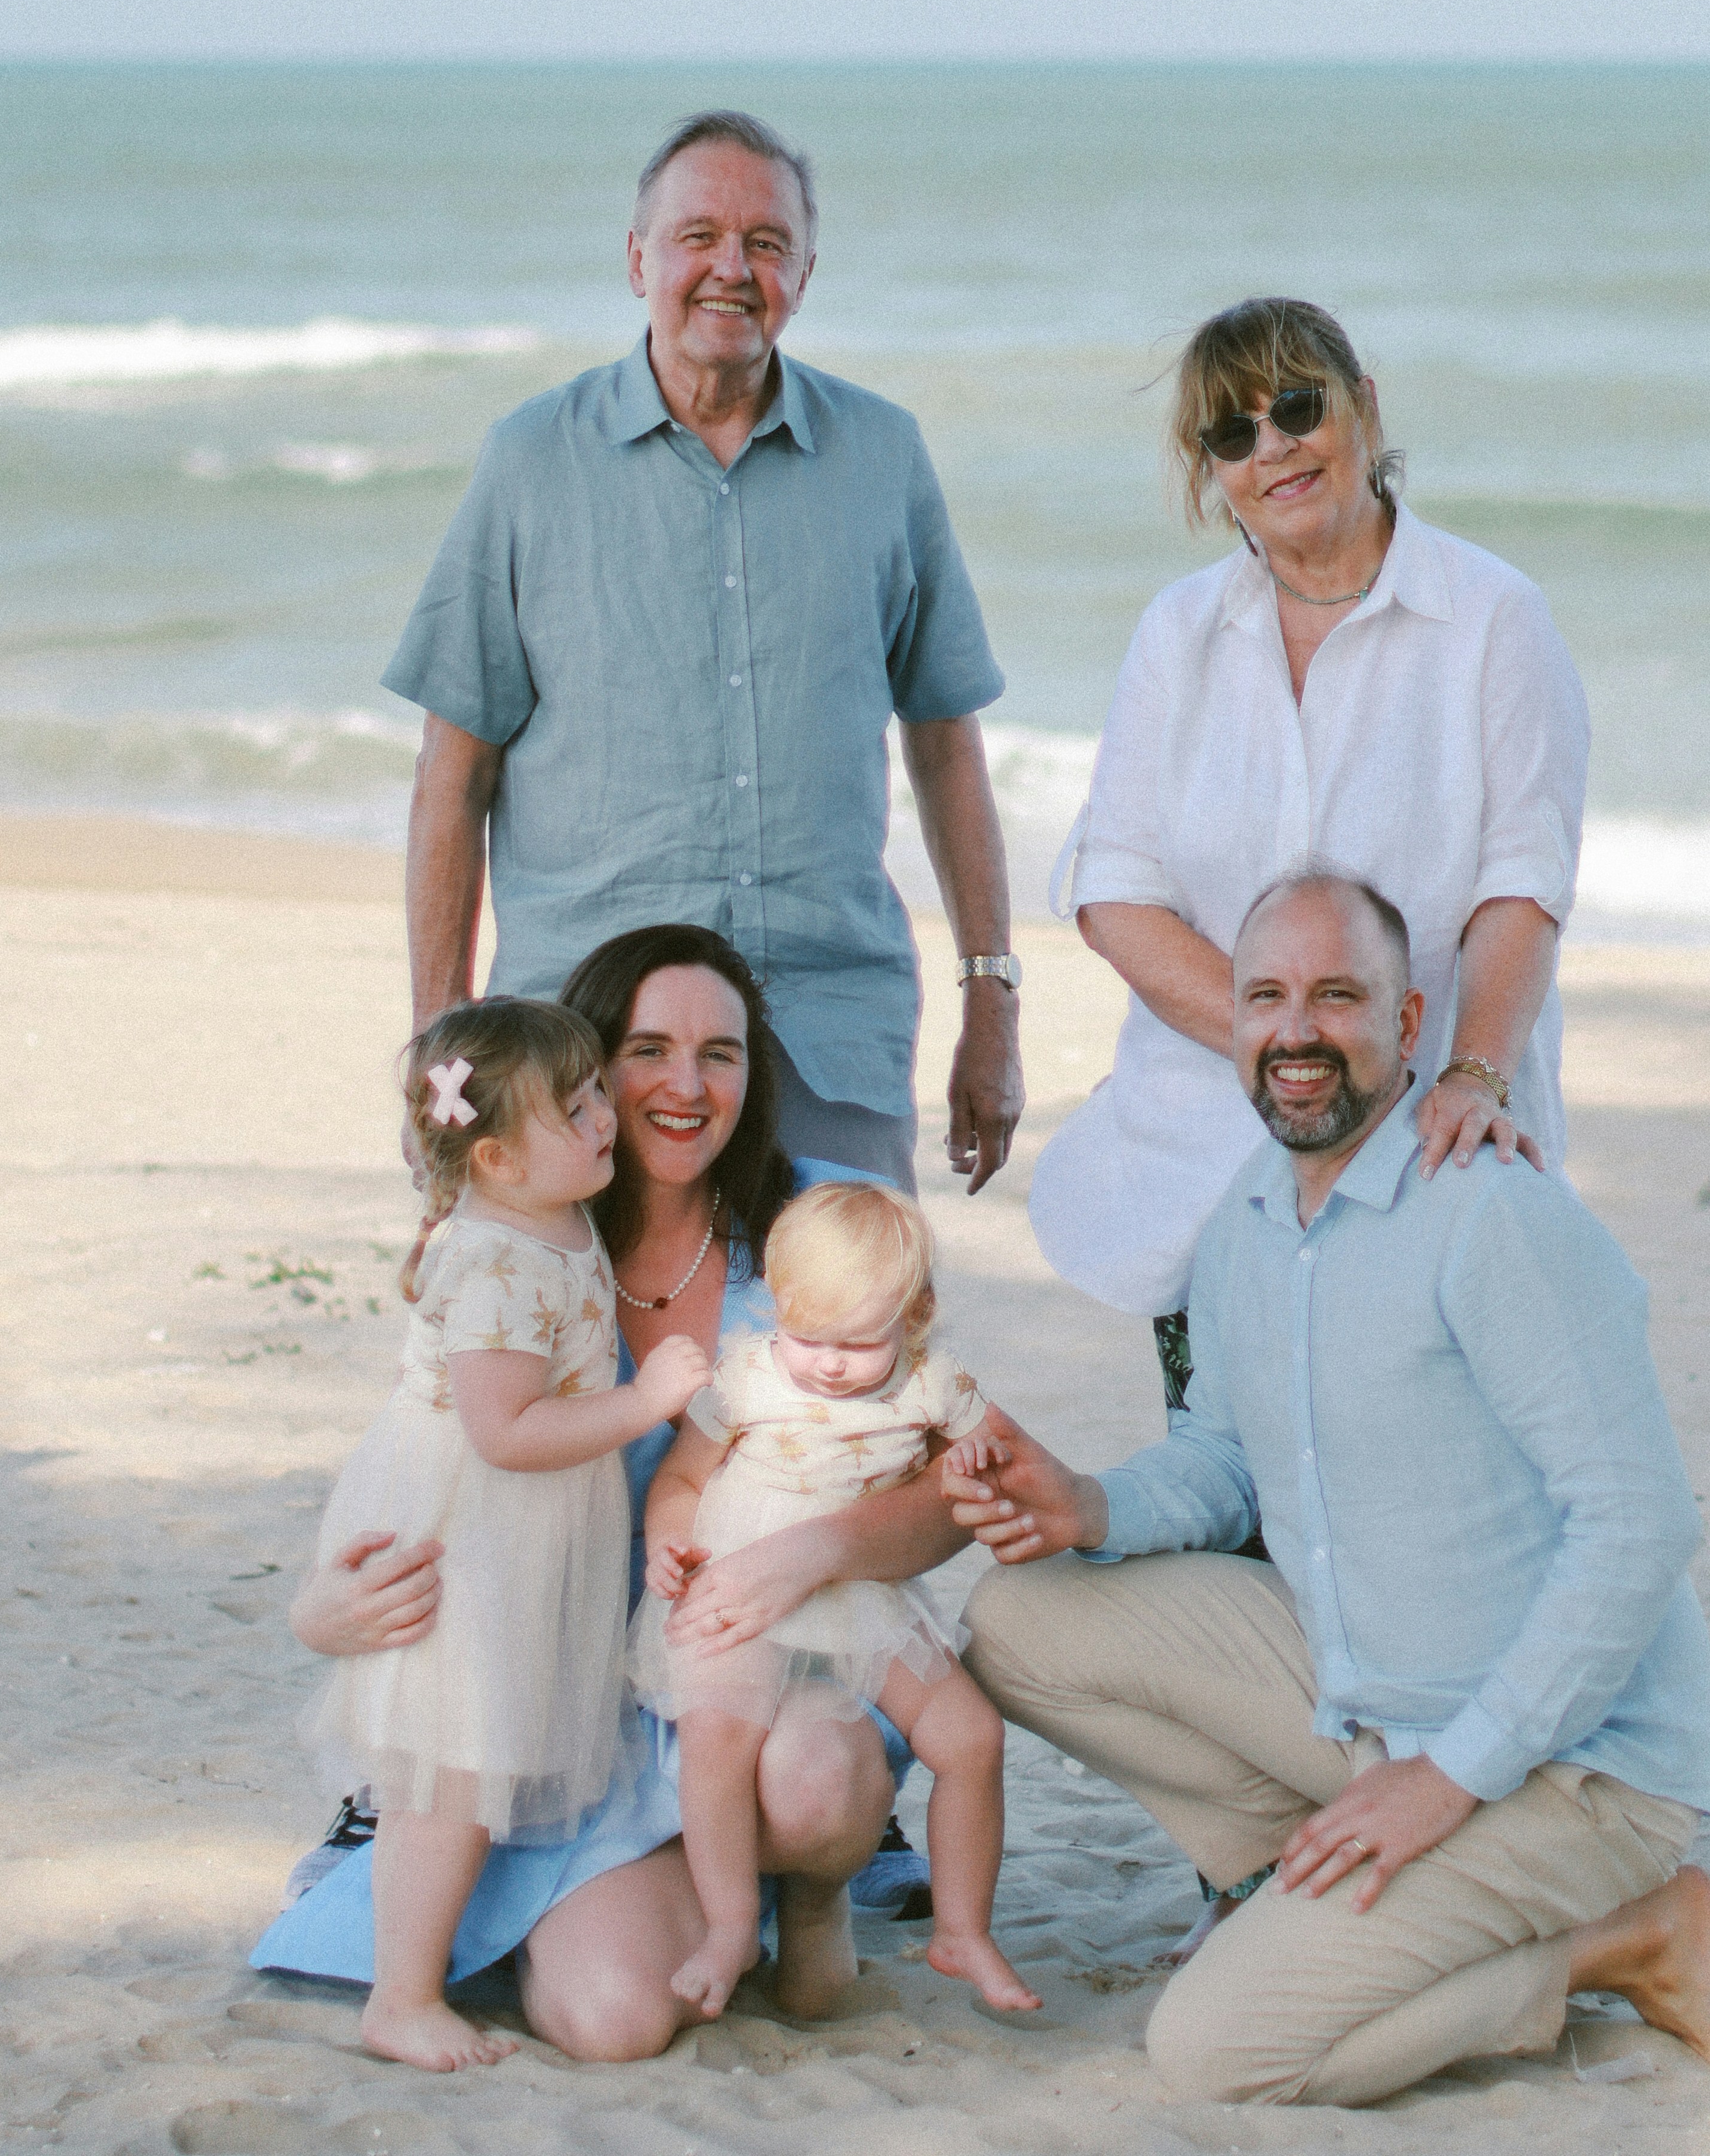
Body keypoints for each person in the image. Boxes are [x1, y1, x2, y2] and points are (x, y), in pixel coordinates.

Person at [952, 871, 1710, 2107]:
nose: (1296, 1030)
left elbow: (1641, 1525)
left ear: (1411, 1023)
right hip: (1369, 1703)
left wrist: (1451, 1779)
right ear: (1235, 1021)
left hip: (1573, 1771)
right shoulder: (1248, 1221)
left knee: (1213, 2053)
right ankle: (1305, 1876)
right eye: (1265, 996)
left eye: (1338, 996)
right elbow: (1222, 1459)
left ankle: (1631, 1936)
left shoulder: (1492, 1219)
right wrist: (1085, 1505)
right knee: (1018, 1620)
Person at [255, 925, 979, 2058]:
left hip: (762, 1674)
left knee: (818, 1776)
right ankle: (626, 1899)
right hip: (564, 1702)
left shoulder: (822, 1222)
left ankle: (811, 1895)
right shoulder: (526, 1235)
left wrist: (814, 1551)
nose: (686, 1086)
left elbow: (950, 1476)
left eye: (723, 1054)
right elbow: (434, 1466)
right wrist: (321, 1614)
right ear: (586, 1071)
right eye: (647, 1050)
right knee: (612, 2022)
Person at [388, 109, 1024, 1196]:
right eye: (698, 237)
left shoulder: (884, 457)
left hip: (827, 1031)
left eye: (766, 244)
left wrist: (991, 1006)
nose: (731, 269)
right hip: (575, 1046)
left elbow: (947, 751)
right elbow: (455, 779)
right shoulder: (531, 462)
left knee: (848, 1357)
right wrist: (445, 1044)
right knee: (576, 1365)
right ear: (639, 258)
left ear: (805, 273)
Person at [1030, 295, 1590, 1406]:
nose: (1272, 447)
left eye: (1296, 405)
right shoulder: (1176, 635)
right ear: (1212, 470)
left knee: (1413, 1495)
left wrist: (1460, 1077)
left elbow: (1523, 882)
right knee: (1231, 1494)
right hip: (1207, 1164)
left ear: (1363, 408)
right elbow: (1117, 894)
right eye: (1232, 433)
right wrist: (1295, 1056)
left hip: (1434, 1147)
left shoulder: (1494, 619)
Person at [302, 999, 708, 2071]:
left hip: (523, 1532)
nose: (603, 1118)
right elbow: (504, 1432)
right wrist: (646, 1400)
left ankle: (462, 1954)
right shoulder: (495, 1261)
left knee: (479, 1766)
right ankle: (403, 1994)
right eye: (574, 1110)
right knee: (450, 1772)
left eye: (592, 1096)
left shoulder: (551, 1217)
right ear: (496, 1158)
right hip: (473, 1534)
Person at [634, 1184, 1038, 2020]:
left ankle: (964, 1928)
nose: (826, 1363)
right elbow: (681, 1475)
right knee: (718, 1737)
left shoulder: (933, 1384)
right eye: (807, 1336)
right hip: (742, 1577)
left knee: (972, 1736)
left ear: (916, 1314)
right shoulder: (748, 1375)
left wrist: (966, 1466)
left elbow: (989, 1455)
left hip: (857, 1591)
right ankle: (731, 1924)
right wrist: (668, 1541)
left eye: (858, 1344)